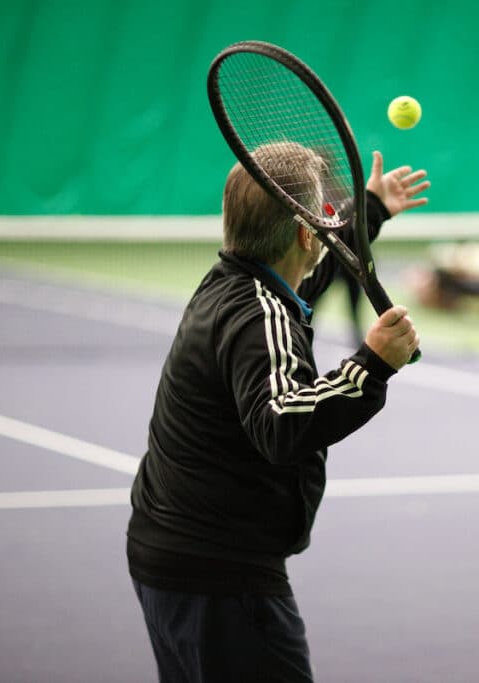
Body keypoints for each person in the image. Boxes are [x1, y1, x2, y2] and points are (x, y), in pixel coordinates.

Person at [126, 143, 428, 682]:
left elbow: (310, 275)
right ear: (305, 234)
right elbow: (283, 424)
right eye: (324, 218)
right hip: (221, 575)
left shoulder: (240, 283)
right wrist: (373, 365)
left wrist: (371, 212)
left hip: (175, 557)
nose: (331, 224)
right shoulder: (260, 313)